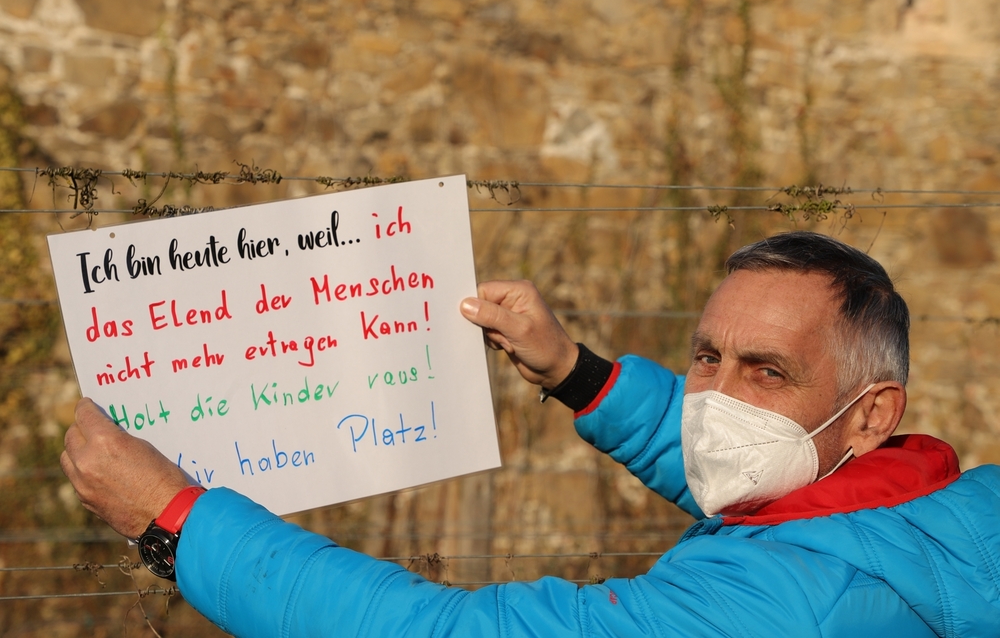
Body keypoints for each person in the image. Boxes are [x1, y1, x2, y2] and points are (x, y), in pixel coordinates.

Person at [61, 231, 1000, 636]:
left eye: (767, 372)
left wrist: (176, 520)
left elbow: (444, 633)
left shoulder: (775, 606)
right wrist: (576, 372)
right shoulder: (932, 512)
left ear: (872, 412)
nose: (714, 400)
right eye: (705, 356)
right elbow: (773, 484)